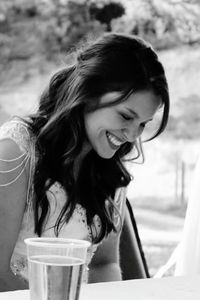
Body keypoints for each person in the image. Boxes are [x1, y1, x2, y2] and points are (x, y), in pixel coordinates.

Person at [0, 32, 169, 291]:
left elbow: (103, 264)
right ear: (87, 93)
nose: (133, 136)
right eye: (125, 116)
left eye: (142, 124)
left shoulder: (111, 170)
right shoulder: (16, 150)